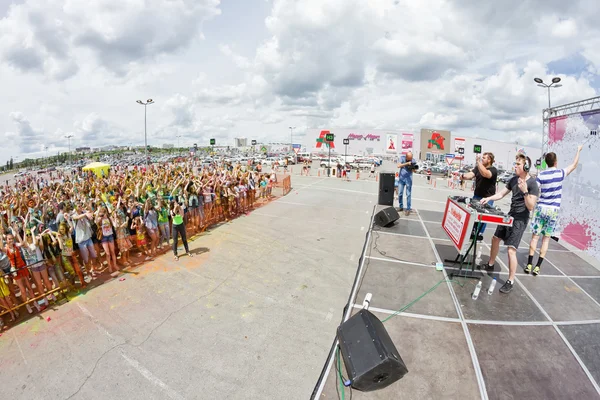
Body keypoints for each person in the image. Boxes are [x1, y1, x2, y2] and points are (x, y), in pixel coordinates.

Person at [480, 154, 539, 293]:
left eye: (518, 164)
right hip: (510, 216)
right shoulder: (513, 180)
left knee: (511, 250)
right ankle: (490, 264)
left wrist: (525, 191)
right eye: (515, 163)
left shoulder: (532, 184)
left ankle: (510, 280)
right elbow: (501, 194)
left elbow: (530, 206)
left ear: (525, 167)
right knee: (495, 239)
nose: (515, 166)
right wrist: (488, 198)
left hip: (521, 219)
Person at [525, 145, 582, 275]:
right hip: (553, 210)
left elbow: (534, 189)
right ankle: (538, 266)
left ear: (546, 162)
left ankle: (529, 264)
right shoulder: (560, 173)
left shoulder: (541, 175)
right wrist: (578, 150)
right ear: (555, 162)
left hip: (541, 208)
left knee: (535, 237)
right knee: (545, 239)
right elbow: (574, 165)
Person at [461, 152, 498, 240]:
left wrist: (478, 162)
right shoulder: (478, 168)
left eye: (484, 158)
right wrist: (463, 176)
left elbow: (486, 174)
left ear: (489, 160)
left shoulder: (493, 170)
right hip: (477, 196)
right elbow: (471, 174)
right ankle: (472, 231)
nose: (482, 159)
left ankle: (479, 233)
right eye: (482, 158)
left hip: (487, 198)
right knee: (474, 214)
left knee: (483, 216)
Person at [396, 151, 417, 216]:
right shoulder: (402, 158)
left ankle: (408, 209)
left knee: (408, 194)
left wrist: (413, 168)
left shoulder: (413, 161)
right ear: (406, 157)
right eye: (409, 158)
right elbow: (398, 165)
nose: (410, 160)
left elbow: (414, 171)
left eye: (411, 158)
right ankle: (401, 206)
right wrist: (407, 163)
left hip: (408, 179)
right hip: (401, 179)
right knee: (400, 193)